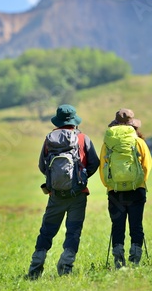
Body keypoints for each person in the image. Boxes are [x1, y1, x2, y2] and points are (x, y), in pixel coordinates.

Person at [25, 104, 100, 279]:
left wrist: (55, 181)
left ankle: (35, 268)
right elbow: (94, 163)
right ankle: (66, 266)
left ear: (58, 121)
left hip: (56, 196)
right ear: (74, 121)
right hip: (78, 195)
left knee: (47, 231)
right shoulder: (82, 138)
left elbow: (42, 166)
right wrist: (81, 178)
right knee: (73, 231)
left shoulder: (49, 139)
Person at [99, 108, 152, 268]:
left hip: (114, 191)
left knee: (117, 225)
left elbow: (103, 166)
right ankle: (135, 258)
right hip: (137, 189)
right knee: (136, 225)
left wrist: (110, 185)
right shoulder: (139, 142)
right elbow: (147, 166)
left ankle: (118, 259)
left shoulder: (108, 143)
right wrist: (138, 182)